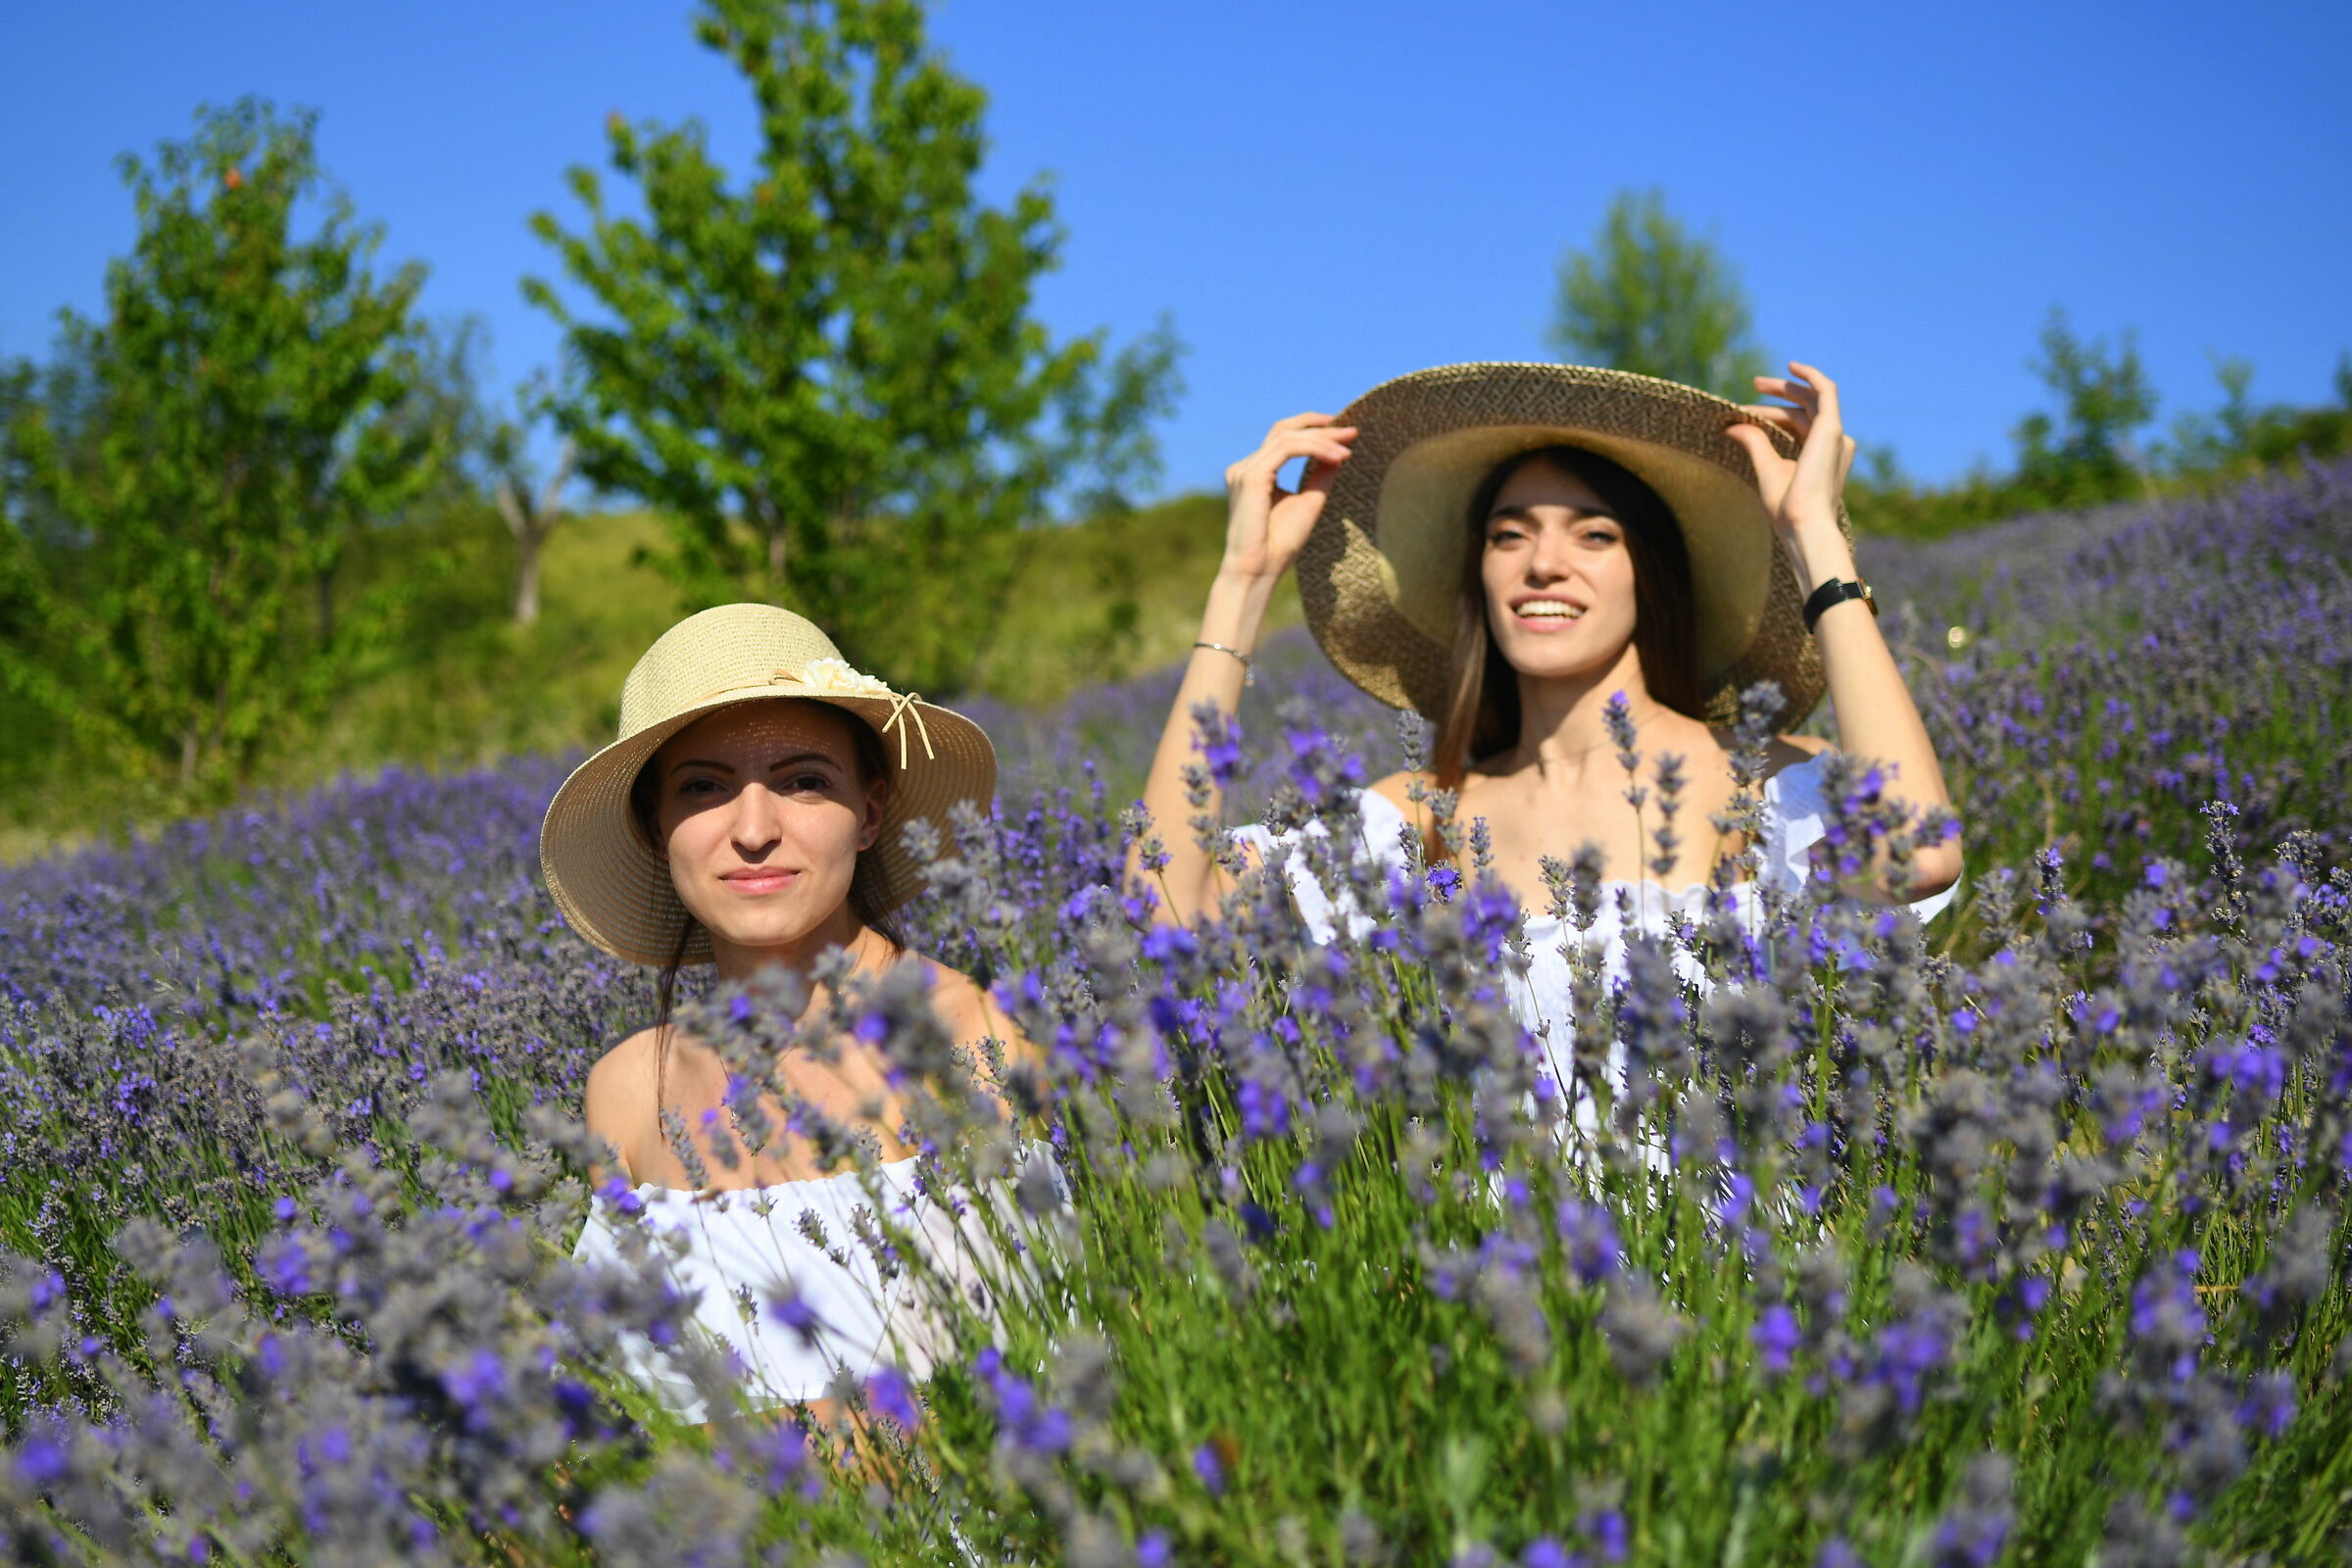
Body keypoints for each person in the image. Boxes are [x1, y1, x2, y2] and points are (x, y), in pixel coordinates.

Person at [1129, 360, 1962, 1042]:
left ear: (1653, 575)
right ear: (1479, 575)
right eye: (1509, 534)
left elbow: (1921, 851)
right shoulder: (1424, 821)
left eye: (1595, 535)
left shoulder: (1762, 788)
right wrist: (1242, 586)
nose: (1543, 564)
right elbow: (1166, 909)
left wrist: (1813, 533)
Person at [542, 603, 1033, 1424]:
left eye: (805, 781)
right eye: (704, 787)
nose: (755, 830)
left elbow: (1027, 1375)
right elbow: (603, 1414)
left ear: (870, 813)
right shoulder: (625, 1093)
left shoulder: (975, 1039)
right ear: (656, 827)